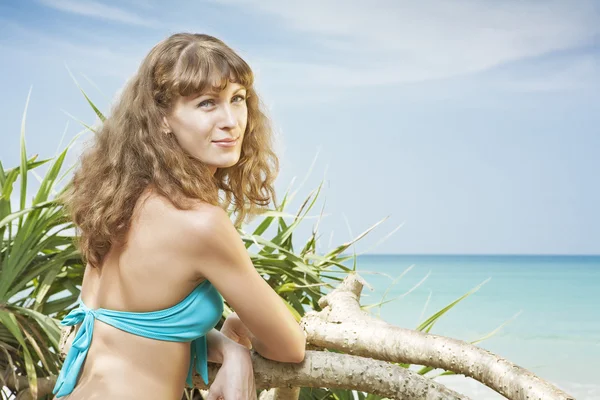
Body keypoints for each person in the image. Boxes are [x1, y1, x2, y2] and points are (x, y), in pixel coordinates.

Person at [51, 32, 306, 400]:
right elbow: (289, 346)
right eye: (207, 103)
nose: (231, 120)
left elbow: (134, 326)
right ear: (163, 118)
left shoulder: (118, 201)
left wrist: (229, 350)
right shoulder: (198, 223)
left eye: (237, 99)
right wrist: (237, 329)